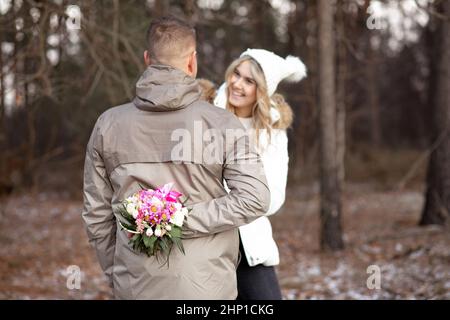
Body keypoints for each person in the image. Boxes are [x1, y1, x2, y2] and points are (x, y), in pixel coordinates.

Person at [81, 16, 270, 300]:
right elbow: (255, 197)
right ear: (192, 62)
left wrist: (120, 270)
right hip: (208, 290)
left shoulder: (107, 124)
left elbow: (97, 216)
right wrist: (180, 220)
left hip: (135, 286)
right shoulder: (222, 123)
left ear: (147, 59)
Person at [213, 49, 307, 300]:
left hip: (249, 242)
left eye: (249, 80)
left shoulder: (272, 134)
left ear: (262, 91)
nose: (236, 83)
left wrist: (234, 205)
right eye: (236, 74)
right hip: (206, 241)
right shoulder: (207, 117)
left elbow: (274, 196)